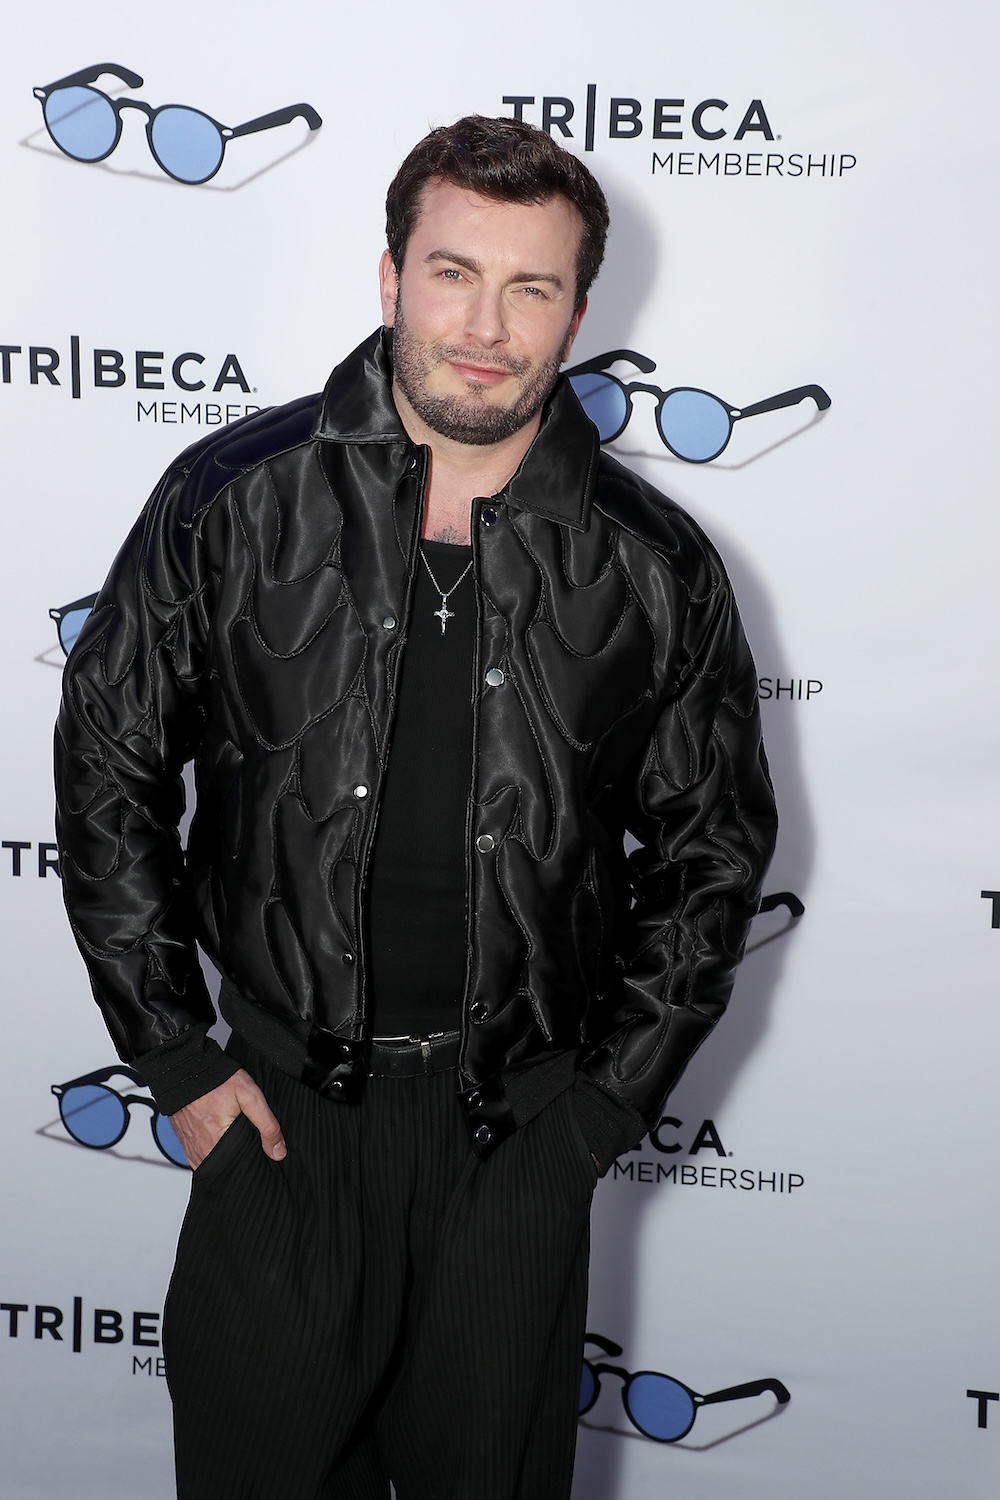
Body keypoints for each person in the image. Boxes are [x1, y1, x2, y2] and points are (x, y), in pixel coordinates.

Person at [54, 115, 777, 1500]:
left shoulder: (655, 563)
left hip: (518, 1138)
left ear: (578, 312)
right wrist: (177, 1060)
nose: (487, 328)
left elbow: (714, 851)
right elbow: (108, 767)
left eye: (531, 287)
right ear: (391, 277)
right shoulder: (233, 498)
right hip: (277, 1120)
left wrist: (599, 1117)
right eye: (454, 274)